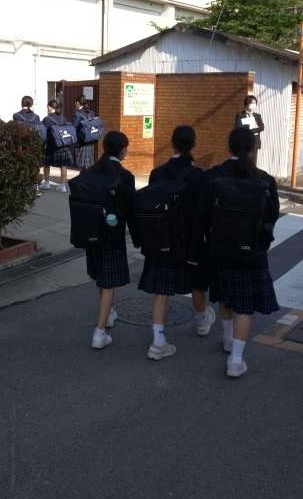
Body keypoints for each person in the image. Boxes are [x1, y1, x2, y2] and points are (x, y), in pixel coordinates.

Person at [194, 127, 279, 379]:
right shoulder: (265, 180)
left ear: (228, 146)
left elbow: (202, 216)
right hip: (252, 251)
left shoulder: (213, 177)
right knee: (245, 305)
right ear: (253, 148)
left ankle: (227, 339)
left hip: (220, 248)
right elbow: (271, 217)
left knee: (225, 296)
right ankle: (236, 359)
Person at [138, 125, 215, 361]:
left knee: (160, 290)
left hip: (160, 239)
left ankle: (158, 342)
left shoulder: (157, 173)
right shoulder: (199, 176)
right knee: (197, 284)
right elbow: (204, 214)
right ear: (194, 145)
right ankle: (202, 321)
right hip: (189, 241)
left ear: (172, 144)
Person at [81, 130, 139, 350]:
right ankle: (99, 332)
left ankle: (109, 314)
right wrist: (138, 237)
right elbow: (131, 210)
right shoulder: (124, 176)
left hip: (90, 232)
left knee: (99, 276)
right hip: (112, 235)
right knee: (108, 283)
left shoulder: (91, 171)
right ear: (122, 150)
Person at [41, 99, 74, 193]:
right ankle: (63, 185)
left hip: (52, 146)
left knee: (46, 164)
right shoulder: (63, 118)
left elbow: (44, 134)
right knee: (63, 165)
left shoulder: (47, 119)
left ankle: (47, 183)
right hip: (63, 145)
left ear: (49, 107)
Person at [72, 95, 95, 171]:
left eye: (75, 102)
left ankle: (83, 177)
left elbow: (74, 128)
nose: (75, 104)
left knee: (81, 165)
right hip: (91, 141)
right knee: (89, 164)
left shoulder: (77, 114)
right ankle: (88, 176)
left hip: (81, 142)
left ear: (78, 103)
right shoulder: (91, 112)